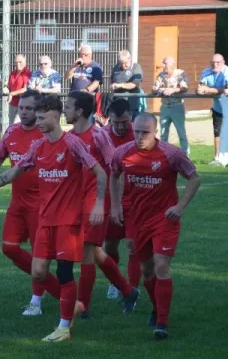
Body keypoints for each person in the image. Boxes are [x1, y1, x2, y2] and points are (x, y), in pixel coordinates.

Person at [0, 95, 108, 342]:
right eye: (36, 117)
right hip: (45, 219)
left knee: (64, 273)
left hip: (68, 221)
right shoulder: (38, 147)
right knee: (39, 272)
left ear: (55, 115)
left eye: (42, 117)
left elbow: (100, 171)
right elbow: (12, 173)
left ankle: (64, 328)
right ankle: (73, 305)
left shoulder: (72, 144)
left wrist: (100, 203)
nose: (37, 121)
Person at [110, 112, 201, 340]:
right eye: (137, 131)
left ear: (156, 131)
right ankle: (155, 307)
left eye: (145, 132)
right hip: (138, 219)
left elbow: (194, 177)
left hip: (164, 219)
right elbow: (113, 174)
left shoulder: (171, 154)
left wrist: (180, 206)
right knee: (147, 270)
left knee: (161, 266)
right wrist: (115, 205)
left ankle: (162, 322)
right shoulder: (123, 153)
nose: (140, 137)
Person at [64, 92, 139, 318]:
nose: (64, 110)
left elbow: (115, 168)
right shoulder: (68, 137)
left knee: (88, 250)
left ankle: (83, 305)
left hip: (99, 199)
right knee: (96, 251)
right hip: (76, 202)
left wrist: (111, 203)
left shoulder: (99, 137)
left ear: (79, 111)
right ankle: (127, 290)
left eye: (67, 107)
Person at [0, 91, 47, 316]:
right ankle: (48, 280)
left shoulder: (45, 134)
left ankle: (36, 302)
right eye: (22, 108)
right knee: (9, 247)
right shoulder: (11, 131)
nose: (25, 112)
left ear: (39, 110)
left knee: (39, 253)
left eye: (30, 108)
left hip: (41, 203)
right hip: (17, 201)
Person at [102, 99, 141, 299]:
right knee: (110, 246)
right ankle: (115, 282)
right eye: (116, 122)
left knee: (133, 246)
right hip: (111, 198)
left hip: (136, 199)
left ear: (131, 117)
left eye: (124, 122)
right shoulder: (102, 136)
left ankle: (132, 289)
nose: (120, 126)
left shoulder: (140, 135)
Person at [152, 57, 189, 155]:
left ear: (172, 64)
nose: (163, 65)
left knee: (181, 132)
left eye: (165, 64)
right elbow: (154, 88)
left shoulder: (180, 73)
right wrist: (159, 90)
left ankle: (185, 154)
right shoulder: (161, 75)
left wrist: (173, 90)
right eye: (163, 63)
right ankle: (164, 154)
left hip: (177, 106)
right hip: (164, 107)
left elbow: (184, 88)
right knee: (163, 134)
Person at [196, 53, 228, 164]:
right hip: (218, 107)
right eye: (213, 63)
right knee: (217, 132)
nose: (215, 65)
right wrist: (200, 90)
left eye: (218, 62)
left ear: (223, 62)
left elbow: (225, 89)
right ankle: (217, 158)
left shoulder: (226, 72)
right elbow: (200, 86)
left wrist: (208, 90)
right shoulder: (206, 72)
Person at [65, 44, 104, 125]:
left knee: (87, 122)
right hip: (75, 99)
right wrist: (73, 66)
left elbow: (97, 82)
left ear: (90, 55)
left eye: (85, 55)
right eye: (81, 54)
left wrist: (86, 90)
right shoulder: (77, 66)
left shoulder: (95, 66)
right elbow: (67, 77)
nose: (83, 56)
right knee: (75, 121)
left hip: (88, 99)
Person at [110, 50, 143, 121]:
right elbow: (112, 81)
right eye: (121, 63)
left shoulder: (136, 67)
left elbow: (134, 84)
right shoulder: (115, 68)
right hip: (118, 104)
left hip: (132, 105)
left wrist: (120, 85)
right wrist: (112, 86)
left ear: (130, 59)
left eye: (125, 63)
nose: (123, 65)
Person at [2, 54, 31, 125]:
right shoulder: (12, 73)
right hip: (12, 103)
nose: (18, 64)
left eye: (20, 62)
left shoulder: (27, 73)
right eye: (16, 62)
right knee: (12, 125)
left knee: (17, 124)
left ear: (25, 62)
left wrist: (12, 93)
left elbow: (25, 89)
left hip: (23, 104)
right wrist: (5, 88)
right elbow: (8, 86)